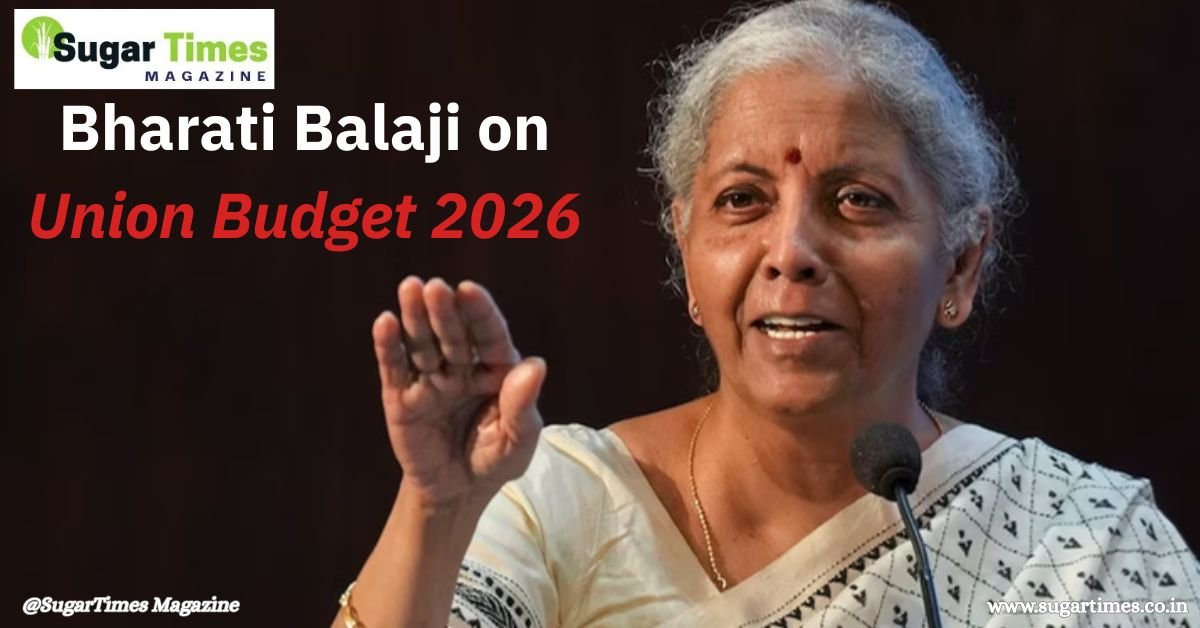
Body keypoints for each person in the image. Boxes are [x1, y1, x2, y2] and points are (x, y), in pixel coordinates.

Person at [333, 1, 1199, 626]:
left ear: (962, 262)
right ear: (685, 248)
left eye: (858, 200)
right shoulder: (561, 498)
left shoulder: (1083, 542)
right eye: (743, 200)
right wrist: (439, 509)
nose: (791, 251)